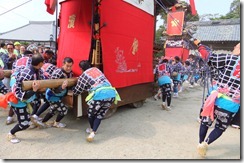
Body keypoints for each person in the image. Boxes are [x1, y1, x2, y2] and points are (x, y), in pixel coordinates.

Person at [194, 40, 240, 158]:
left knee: (205, 122)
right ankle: (206, 143)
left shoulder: (229, 58)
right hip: (231, 104)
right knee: (220, 127)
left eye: (236, 47)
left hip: (215, 99)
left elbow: (208, 56)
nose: (234, 48)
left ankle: (200, 142)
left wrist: (199, 45)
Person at [72, 60, 121, 142]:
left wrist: (72, 89)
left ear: (81, 69)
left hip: (100, 95)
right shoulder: (96, 69)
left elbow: (77, 91)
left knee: (91, 113)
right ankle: (93, 132)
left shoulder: (83, 76)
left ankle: (92, 129)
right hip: (111, 93)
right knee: (100, 114)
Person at [6, 53, 45, 144]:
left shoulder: (37, 70)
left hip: (28, 98)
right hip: (18, 101)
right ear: (39, 63)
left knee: (37, 103)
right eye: (43, 62)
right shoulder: (26, 73)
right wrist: (35, 90)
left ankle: (29, 118)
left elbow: (42, 80)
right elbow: (18, 94)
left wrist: (40, 88)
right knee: (24, 124)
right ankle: (11, 133)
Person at [34, 57, 73, 128]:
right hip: (52, 95)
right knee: (64, 110)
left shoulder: (70, 73)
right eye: (67, 66)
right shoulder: (57, 73)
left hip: (59, 95)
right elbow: (52, 87)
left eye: (70, 66)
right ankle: (56, 123)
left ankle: (43, 122)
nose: (69, 68)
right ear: (63, 64)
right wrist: (62, 87)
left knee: (53, 110)